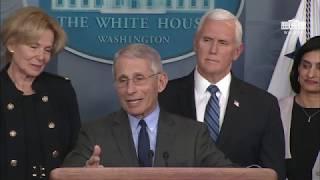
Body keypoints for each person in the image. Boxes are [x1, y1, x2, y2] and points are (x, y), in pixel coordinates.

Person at [158, 9, 285, 179]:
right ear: (195, 43)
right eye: (207, 40)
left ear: (237, 51)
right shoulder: (162, 97)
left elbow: (273, 173)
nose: (213, 50)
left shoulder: (263, 105)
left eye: (223, 43)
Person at [63, 43, 234, 168]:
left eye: (139, 79)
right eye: (123, 80)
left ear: (160, 82)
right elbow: (66, 175)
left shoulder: (193, 135)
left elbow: (230, 176)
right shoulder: (94, 134)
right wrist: (83, 174)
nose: (130, 89)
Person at [0, 6, 81, 180]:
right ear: (11, 44)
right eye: (34, 46)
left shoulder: (61, 91)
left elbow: (76, 149)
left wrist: (82, 169)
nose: (41, 56)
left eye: (47, 50)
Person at [279, 36, 320, 180]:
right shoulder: (275, 110)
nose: (310, 74)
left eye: (319, 67)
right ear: (297, 69)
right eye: (306, 65)